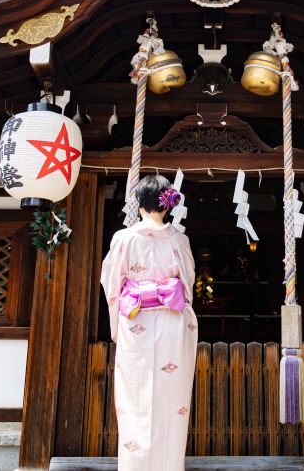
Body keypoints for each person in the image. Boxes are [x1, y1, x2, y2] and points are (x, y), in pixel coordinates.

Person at [100, 174, 198, 470]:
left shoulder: (124, 238)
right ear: (167, 206)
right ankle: (169, 465)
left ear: (138, 204)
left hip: (136, 319)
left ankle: (135, 466)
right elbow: (189, 283)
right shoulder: (180, 240)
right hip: (172, 322)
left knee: (135, 394)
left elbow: (112, 285)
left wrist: (116, 330)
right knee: (173, 397)